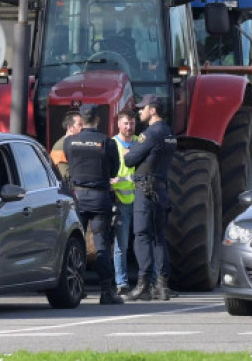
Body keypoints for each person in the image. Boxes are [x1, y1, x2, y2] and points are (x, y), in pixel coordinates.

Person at [63, 104, 123, 305]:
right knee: (102, 246)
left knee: (75, 244)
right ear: (97, 119)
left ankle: (76, 289)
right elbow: (114, 172)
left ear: (82, 118)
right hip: (99, 198)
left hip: (78, 197)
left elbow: (69, 164)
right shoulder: (106, 142)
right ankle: (107, 292)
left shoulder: (69, 142)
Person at [124, 94, 177, 301]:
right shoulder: (169, 133)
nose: (139, 111)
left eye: (142, 108)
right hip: (161, 188)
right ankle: (162, 286)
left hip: (145, 190)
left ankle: (143, 284)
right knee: (159, 238)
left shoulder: (150, 134)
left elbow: (129, 160)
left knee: (141, 236)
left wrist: (131, 151)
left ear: (152, 110)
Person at [110, 109, 137, 297]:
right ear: (118, 124)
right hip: (121, 201)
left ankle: (148, 280)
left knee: (145, 242)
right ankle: (122, 282)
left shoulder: (140, 143)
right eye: (125, 123)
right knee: (122, 245)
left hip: (141, 200)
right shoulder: (112, 144)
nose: (129, 127)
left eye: (132, 123)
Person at [49, 111, 83, 180]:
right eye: (80, 125)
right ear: (70, 127)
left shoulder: (78, 143)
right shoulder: (60, 147)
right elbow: (65, 176)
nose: (83, 128)